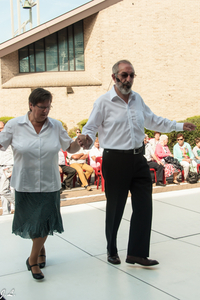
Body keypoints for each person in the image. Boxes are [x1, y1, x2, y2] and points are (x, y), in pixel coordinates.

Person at [81, 59, 195, 267]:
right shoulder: (103, 102)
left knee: (144, 206)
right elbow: (90, 128)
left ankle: (137, 253)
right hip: (115, 159)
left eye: (132, 75)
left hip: (138, 158)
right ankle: (112, 249)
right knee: (116, 207)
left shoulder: (137, 100)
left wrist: (179, 125)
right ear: (114, 77)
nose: (128, 79)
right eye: (124, 75)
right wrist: (86, 139)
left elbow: (154, 120)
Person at [0, 88, 83, 281]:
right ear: (30, 105)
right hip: (24, 183)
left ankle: (32, 260)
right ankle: (41, 250)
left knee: (45, 221)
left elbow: (70, 148)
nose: (46, 111)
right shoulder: (14, 125)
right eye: (41, 107)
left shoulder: (55, 126)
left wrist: (79, 142)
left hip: (49, 183)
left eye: (48, 107)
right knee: (31, 222)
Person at [0, 121, 15, 215]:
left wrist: (14, 168)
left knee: (4, 190)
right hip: (1, 167)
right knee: (3, 192)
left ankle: (19, 205)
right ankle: (6, 212)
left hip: (9, 166)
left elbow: (16, 153)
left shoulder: (10, 139)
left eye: (1, 128)